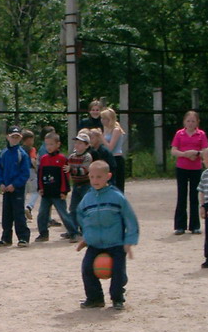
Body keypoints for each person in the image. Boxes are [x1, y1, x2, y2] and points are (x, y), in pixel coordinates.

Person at [76, 160, 139, 310]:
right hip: (95, 244)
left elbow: (130, 219)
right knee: (87, 269)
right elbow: (82, 217)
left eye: (99, 177)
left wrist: (129, 240)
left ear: (108, 176)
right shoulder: (87, 199)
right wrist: (86, 237)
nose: (95, 180)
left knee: (118, 273)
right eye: (92, 177)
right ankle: (95, 298)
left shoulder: (117, 197)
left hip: (115, 243)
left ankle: (118, 298)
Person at [170, 111, 208, 235]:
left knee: (194, 197)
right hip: (182, 167)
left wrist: (196, 153)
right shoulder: (179, 134)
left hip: (196, 168)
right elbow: (173, 150)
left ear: (197, 122)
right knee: (182, 196)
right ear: (184, 122)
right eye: (188, 121)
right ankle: (180, 226)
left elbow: (205, 150)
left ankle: (194, 226)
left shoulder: (201, 134)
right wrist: (185, 155)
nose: (190, 123)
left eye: (193, 121)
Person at [34, 132, 78, 242]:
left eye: (51, 144)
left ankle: (73, 233)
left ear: (58, 144)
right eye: (47, 144)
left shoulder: (62, 159)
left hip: (58, 193)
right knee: (42, 214)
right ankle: (43, 233)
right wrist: (40, 188)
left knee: (63, 214)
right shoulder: (43, 158)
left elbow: (65, 177)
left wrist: (65, 191)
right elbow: (40, 174)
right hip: (46, 193)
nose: (49, 147)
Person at [0, 125, 31, 247]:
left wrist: (15, 185)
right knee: (6, 214)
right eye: (12, 136)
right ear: (8, 137)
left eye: (17, 137)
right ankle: (6, 238)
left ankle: (23, 237)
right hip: (6, 189)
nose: (15, 139)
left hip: (17, 189)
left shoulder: (22, 154)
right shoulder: (3, 153)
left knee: (18, 213)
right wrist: (1, 183)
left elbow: (25, 173)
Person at [64, 133, 93, 241]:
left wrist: (71, 170)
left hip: (86, 185)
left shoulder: (87, 157)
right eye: (76, 142)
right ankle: (73, 231)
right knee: (73, 208)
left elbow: (84, 170)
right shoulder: (72, 156)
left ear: (86, 145)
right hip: (76, 185)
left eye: (80, 143)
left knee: (85, 208)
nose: (77, 145)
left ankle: (86, 231)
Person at [37, 126, 62, 227]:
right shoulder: (44, 149)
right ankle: (47, 220)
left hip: (50, 180)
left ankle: (48, 219)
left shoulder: (43, 147)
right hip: (48, 179)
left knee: (49, 205)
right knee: (49, 205)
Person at [101, 107, 126, 193]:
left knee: (117, 185)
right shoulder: (106, 130)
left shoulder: (116, 130)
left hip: (116, 158)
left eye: (105, 119)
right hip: (108, 159)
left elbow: (110, 147)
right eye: (102, 118)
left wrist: (101, 137)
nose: (102, 121)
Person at [21, 129, 39, 221]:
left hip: (21, 172)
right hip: (30, 171)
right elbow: (33, 160)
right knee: (35, 191)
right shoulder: (32, 149)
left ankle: (22, 211)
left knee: (23, 193)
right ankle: (29, 206)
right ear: (29, 140)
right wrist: (37, 169)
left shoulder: (20, 149)